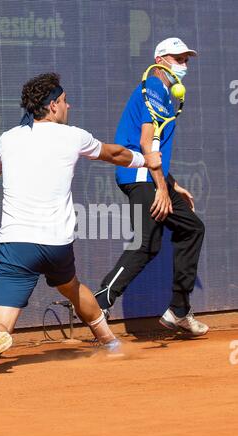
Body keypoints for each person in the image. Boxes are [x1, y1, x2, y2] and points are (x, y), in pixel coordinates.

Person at [0, 72, 161, 376]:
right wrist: (147, 160)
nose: (69, 106)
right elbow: (115, 153)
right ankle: (110, 343)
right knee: (73, 287)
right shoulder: (73, 136)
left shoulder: (7, 139)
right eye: (65, 102)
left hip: (17, 245)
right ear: (52, 106)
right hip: (57, 245)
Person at [94, 38, 209, 336]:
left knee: (191, 227)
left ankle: (179, 310)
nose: (183, 65)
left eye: (186, 60)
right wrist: (161, 188)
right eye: (178, 58)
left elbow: (154, 146)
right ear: (160, 60)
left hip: (152, 176)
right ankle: (100, 302)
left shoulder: (162, 94)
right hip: (141, 177)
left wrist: (173, 185)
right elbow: (146, 144)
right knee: (145, 244)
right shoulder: (155, 88)